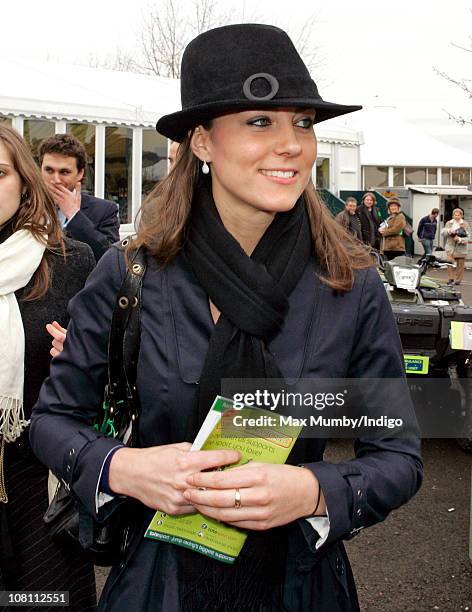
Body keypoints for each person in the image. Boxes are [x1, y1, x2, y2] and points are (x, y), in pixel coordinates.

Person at [30, 24, 423, 612]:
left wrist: (312, 489)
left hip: (302, 587)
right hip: (158, 586)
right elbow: (53, 421)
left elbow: (397, 455)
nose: (292, 144)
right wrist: (125, 469)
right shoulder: (132, 274)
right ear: (203, 142)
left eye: (304, 123)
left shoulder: (351, 283)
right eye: (261, 121)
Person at [0, 125, 96, 611]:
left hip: (39, 485)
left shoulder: (67, 261)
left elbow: (109, 381)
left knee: (41, 603)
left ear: (23, 182)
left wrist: (79, 363)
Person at [39, 134, 120, 261]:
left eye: (64, 172)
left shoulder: (104, 210)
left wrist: (74, 216)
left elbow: (111, 260)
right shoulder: (24, 205)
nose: (55, 180)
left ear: (80, 173)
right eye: (49, 170)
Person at [441, 207, 470, 285]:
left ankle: (458, 280)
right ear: (453, 215)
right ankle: (451, 278)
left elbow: (468, 237)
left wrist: (460, 239)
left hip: (461, 248)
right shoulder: (449, 223)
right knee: (449, 264)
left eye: (458, 215)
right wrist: (448, 231)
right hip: (450, 247)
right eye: (455, 215)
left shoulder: (465, 224)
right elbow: (443, 233)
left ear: (461, 216)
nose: (457, 216)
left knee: (460, 265)